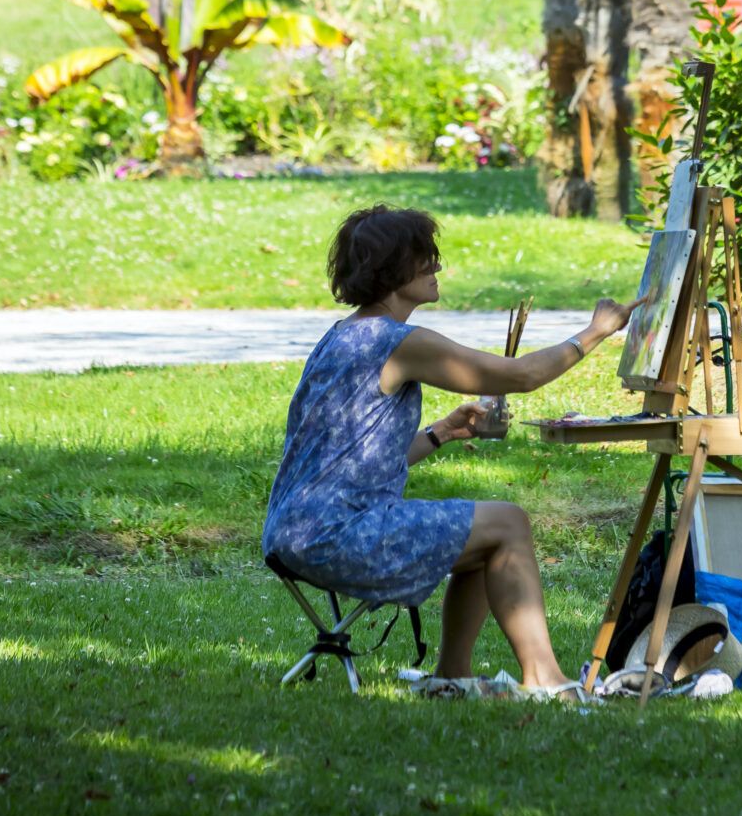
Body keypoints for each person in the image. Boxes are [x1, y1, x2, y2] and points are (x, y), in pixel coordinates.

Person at [261, 206, 637, 695]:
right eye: (426, 259)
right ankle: (546, 679)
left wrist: (442, 432)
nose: (436, 268)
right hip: (335, 535)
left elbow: (351, 460)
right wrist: (596, 332)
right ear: (395, 271)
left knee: (483, 533)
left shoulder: (341, 337)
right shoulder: (401, 342)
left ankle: (452, 677)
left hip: (292, 531)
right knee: (509, 523)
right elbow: (520, 375)